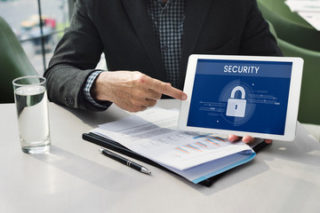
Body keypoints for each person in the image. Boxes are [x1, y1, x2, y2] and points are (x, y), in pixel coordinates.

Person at [45, 0, 280, 144]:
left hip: (222, 139)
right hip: (137, 144)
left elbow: (273, 70)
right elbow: (57, 73)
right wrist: (101, 84)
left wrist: (260, 115)